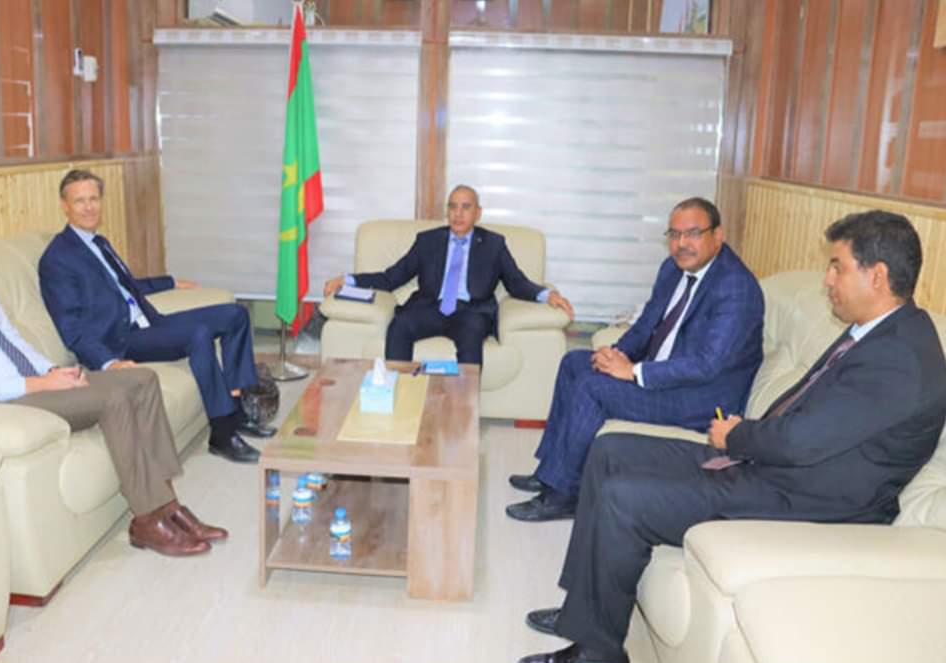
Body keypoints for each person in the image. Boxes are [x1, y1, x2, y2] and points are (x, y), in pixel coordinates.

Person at [518, 210, 946, 663]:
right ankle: (583, 612)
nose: (827, 279)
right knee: (609, 449)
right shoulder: (874, 333)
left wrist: (737, 436)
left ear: (877, 276)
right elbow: (806, 421)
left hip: (808, 498)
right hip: (776, 465)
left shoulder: (900, 357)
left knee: (625, 498)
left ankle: (596, 653)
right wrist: (745, 437)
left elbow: (801, 441)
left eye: (837, 266)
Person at [0, 178, 228, 558]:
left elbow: (9, 337)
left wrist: (53, 372)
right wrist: (36, 384)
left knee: (141, 379)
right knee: (115, 396)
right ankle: (148, 519)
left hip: (32, 382)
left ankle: (167, 504)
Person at [507, 197, 764, 521]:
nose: (681, 244)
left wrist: (634, 372)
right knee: (574, 364)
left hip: (699, 399)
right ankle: (550, 472)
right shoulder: (673, 269)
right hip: (666, 374)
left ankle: (564, 495)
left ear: (718, 235)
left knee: (592, 389)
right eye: (674, 234)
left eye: (693, 233)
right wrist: (616, 353)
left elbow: (708, 364)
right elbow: (646, 326)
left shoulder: (736, 287)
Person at [38, 169, 266, 465]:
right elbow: (71, 328)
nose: (89, 207)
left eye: (94, 199)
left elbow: (125, 285)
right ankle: (222, 432)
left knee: (235, 314)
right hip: (121, 340)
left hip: (150, 323)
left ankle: (238, 409)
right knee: (198, 333)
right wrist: (108, 362)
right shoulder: (57, 258)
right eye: (80, 201)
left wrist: (168, 282)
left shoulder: (99, 243)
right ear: (65, 205)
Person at [323, 185, 574, 365]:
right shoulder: (427, 241)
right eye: (453, 207)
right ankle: (398, 395)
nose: (458, 213)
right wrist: (347, 280)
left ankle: (462, 408)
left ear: (478, 213)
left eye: (466, 207)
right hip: (429, 308)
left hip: (471, 312)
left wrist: (547, 295)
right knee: (400, 325)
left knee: (472, 334)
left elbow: (516, 282)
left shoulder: (493, 244)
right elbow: (391, 278)